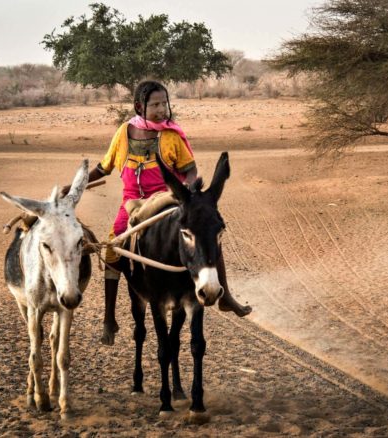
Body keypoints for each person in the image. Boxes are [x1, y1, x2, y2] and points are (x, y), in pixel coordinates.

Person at [63, 80, 251, 346]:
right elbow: (103, 168)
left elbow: (190, 170)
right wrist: (72, 187)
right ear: (140, 106)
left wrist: (188, 191)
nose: (162, 109)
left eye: (164, 103)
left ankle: (226, 295)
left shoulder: (172, 136)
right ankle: (109, 317)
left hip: (165, 200)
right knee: (112, 247)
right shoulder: (123, 132)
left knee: (204, 235)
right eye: (155, 105)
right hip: (130, 202)